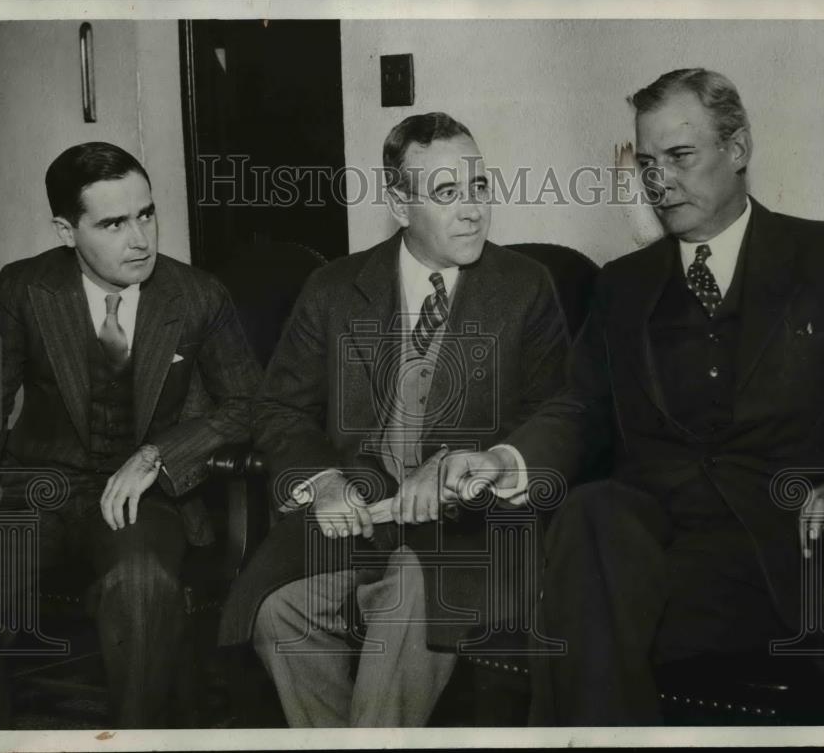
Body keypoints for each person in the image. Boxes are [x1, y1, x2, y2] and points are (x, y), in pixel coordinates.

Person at [440, 68, 824, 724]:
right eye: (647, 162)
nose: (660, 180)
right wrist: (507, 460)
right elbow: (580, 409)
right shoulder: (624, 287)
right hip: (666, 567)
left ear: (739, 149)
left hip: (795, 555)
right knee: (590, 515)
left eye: (681, 156)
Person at [218, 112, 570, 727]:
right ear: (400, 205)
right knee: (277, 611)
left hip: (473, 529)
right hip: (362, 521)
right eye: (446, 193)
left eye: (479, 187)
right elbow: (277, 407)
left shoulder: (525, 287)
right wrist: (322, 480)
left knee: (413, 585)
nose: (472, 210)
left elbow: (557, 415)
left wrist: (474, 468)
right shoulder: (333, 287)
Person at [0, 142, 260, 728]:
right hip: (32, 495)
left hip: (142, 501)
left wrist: (159, 455)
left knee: (141, 586)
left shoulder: (197, 295)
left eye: (146, 214)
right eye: (114, 223)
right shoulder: (24, 289)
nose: (140, 239)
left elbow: (251, 404)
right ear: (66, 230)